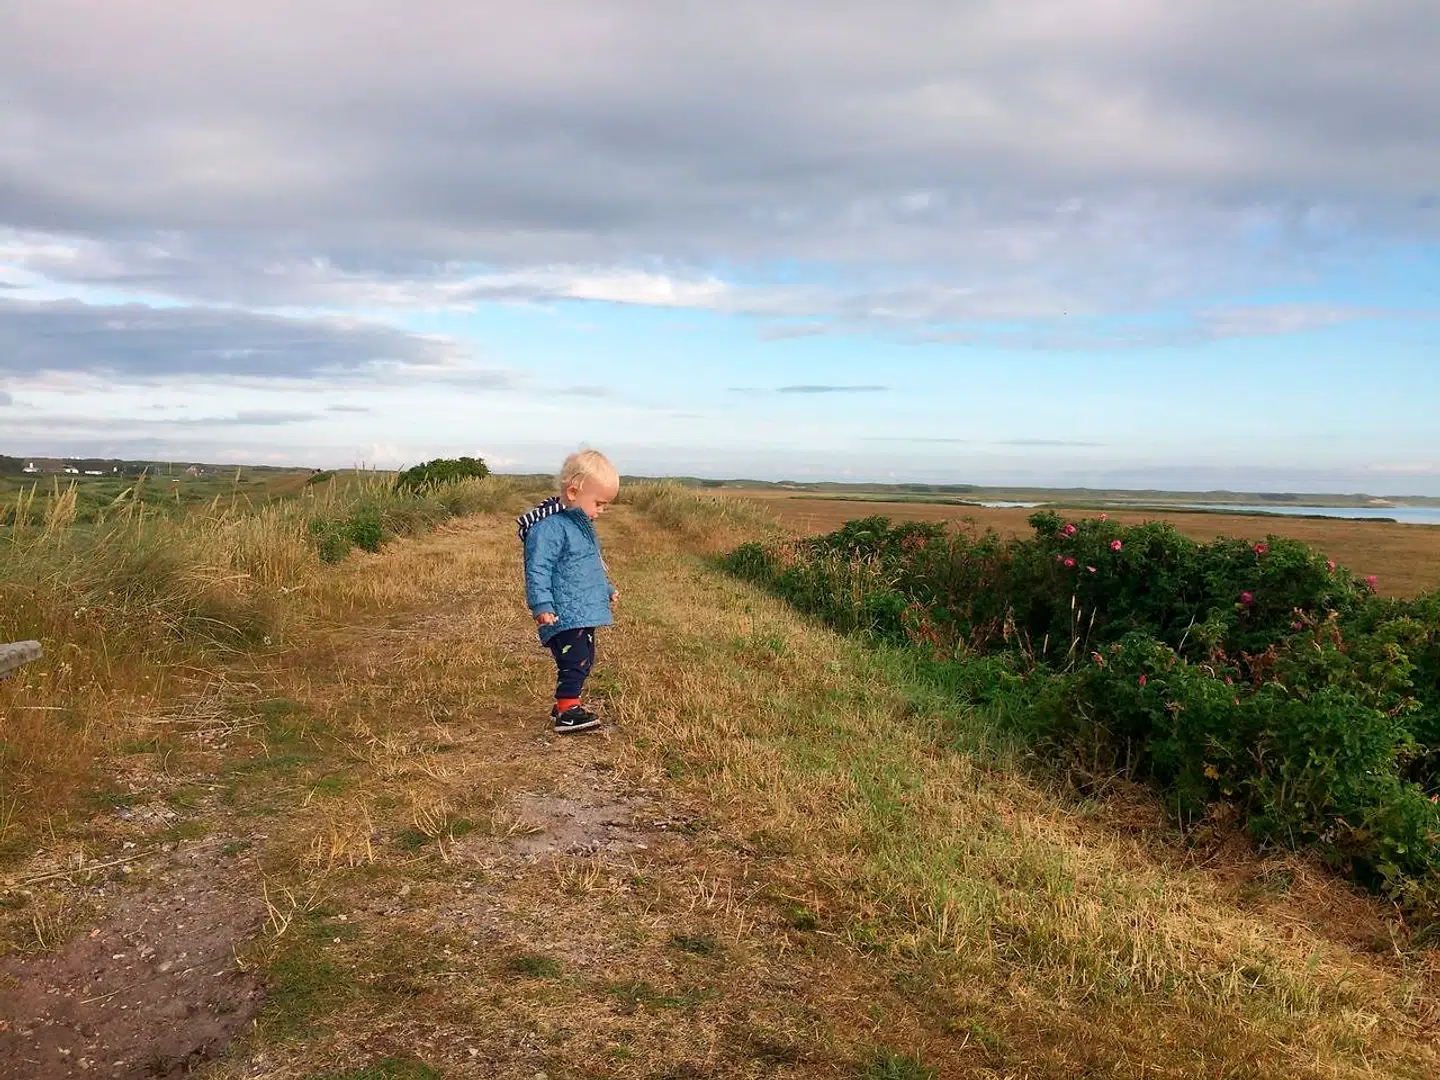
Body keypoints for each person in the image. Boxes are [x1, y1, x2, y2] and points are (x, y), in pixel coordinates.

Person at [516, 449, 620, 733]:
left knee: (584, 658)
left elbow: (589, 566)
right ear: (573, 492)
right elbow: (537, 569)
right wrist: (542, 605)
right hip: (562, 613)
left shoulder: (580, 527)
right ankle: (567, 711)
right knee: (574, 660)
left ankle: (566, 701)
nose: (601, 511)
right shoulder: (549, 529)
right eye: (598, 503)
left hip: (582, 610)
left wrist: (606, 589)